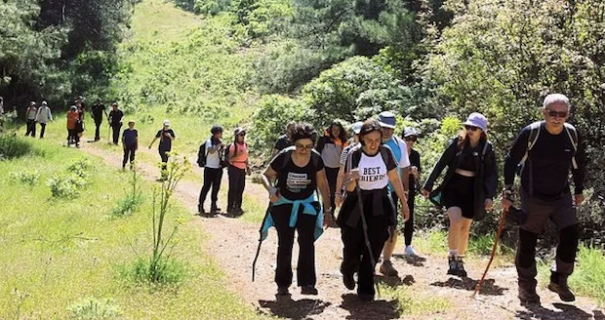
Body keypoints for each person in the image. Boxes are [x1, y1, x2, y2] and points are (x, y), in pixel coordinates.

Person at [502, 94, 586, 305]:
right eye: (552, 113)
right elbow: (511, 161)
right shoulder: (532, 133)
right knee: (528, 240)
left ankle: (559, 279)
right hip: (533, 194)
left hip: (562, 195)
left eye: (562, 114)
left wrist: (579, 190)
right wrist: (508, 192)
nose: (557, 118)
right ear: (543, 112)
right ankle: (526, 287)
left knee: (571, 233)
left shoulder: (572, 134)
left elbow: (578, 164)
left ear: (568, 114)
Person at [338, 119, 410, 301]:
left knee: (375, 244)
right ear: (362, 138)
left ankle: (365, 287)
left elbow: (394, 178)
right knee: (353, 244)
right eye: (369, 139)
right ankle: (348, 268)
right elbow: (350, 189)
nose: (373, 144)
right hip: (357, 204)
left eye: (377, 140)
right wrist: (352, 179)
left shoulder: (385, 153)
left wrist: (403, 202)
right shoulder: (354, 154)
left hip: (380, 203)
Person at [421, 112, 497, 277]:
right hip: (453, 187)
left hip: (473, 191)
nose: (470, 130)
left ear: (482, 131)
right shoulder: (458, 143)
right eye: (467, 126)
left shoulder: (486, 148)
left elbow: (492, 174)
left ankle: (460, 259)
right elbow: (441, 163)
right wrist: (428, 185)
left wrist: (490, 196)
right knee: (455, 221)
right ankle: (452, 257)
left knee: (465, 227)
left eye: (474, 128)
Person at [260, 122, 332, 296]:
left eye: (308, 146)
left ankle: (307, 283)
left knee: (307, 242)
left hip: (307, 205)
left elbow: (322, 184)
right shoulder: (284, 156)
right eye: (300, 146)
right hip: (284, 204)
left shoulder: (315, 158)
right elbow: (265, 175)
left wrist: (328, 210)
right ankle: (283, 284)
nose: (303, 150)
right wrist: (270, 190)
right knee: (285, 243)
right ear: (293, 143)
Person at [376, 111, 411, 277]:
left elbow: (404, 168)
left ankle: (386, 261)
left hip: (391, 190)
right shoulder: (368, 141)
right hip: (369, 190)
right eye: (383, 128)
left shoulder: (400, 145)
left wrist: (405, 191)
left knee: (392, 227)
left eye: (390, 128)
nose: (386, 131)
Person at [316, 121, 349, 222]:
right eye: (334, 130)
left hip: (337, 170)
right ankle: (323, 213)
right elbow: (317, 152)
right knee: (325, 191)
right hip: (325, 169)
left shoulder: (343, 141)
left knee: (335, 192)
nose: (336, 132)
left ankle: (332, 213)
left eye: (338, 130)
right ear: (330, 130)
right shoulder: (323, 139)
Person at [402, 127, 423, 258]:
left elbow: (419, 175)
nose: (410, 142)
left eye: (413, 139)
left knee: (409, 215)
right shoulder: (396, 151)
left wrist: (415, 172)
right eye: (408, 138)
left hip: (410, 187)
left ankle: (408, 245)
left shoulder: (415, 155)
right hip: (395, 186)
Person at [335, 121, 364, 209]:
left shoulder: (372, 151)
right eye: (357, 134)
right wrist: (338, 193)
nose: (359, 137)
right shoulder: (347, 151)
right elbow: (341, 173)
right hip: (349, 191)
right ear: (353, 135)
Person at [198, 125, 225, 214]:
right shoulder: (209, 142)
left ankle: (214, 205)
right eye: (220, 133)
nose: (221, 134)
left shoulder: (219, 142)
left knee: (216, 188)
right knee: (206, 187)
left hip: (218, 168)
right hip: (209, 167)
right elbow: (211, 151)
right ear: (216, 133)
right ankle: (201, 204)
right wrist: (219, 146)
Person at [227, 127, 250, 215]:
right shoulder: (233, 146)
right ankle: (230, 207)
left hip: (242, 168)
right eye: (241, 135)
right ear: (236, 136)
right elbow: (230, 159)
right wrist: (238, 155)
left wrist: (247, 167)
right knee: (233, 188)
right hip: (234, 168)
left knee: (241, 188)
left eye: (243, 134)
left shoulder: (245, 144)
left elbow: (246, 157)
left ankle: (238, 206)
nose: (243, 136)